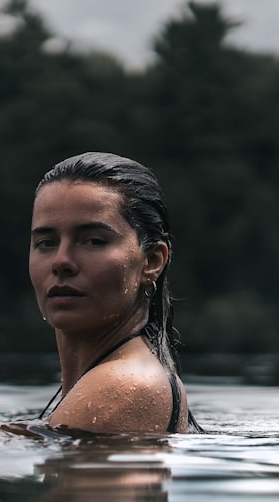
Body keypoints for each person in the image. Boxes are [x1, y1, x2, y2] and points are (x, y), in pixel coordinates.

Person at [29, 152, 202, 434]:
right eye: (46, 243)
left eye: (94, 241)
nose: (61, 262)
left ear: (152, 261)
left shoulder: (125, 384)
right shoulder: (123, 380)